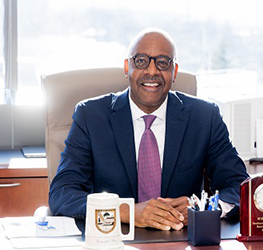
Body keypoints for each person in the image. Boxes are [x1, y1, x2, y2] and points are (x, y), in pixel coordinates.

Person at [48, 28, 249, 231]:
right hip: (114, 238)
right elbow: (63, 193)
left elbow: (240, 186)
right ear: (127, 67)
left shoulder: (204, 117)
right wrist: (127, 211)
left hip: (180, 240)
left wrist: (202, 208)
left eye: (162, 63)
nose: (152, 72)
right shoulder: (91, 116)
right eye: (141, 61)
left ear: (174, 72)